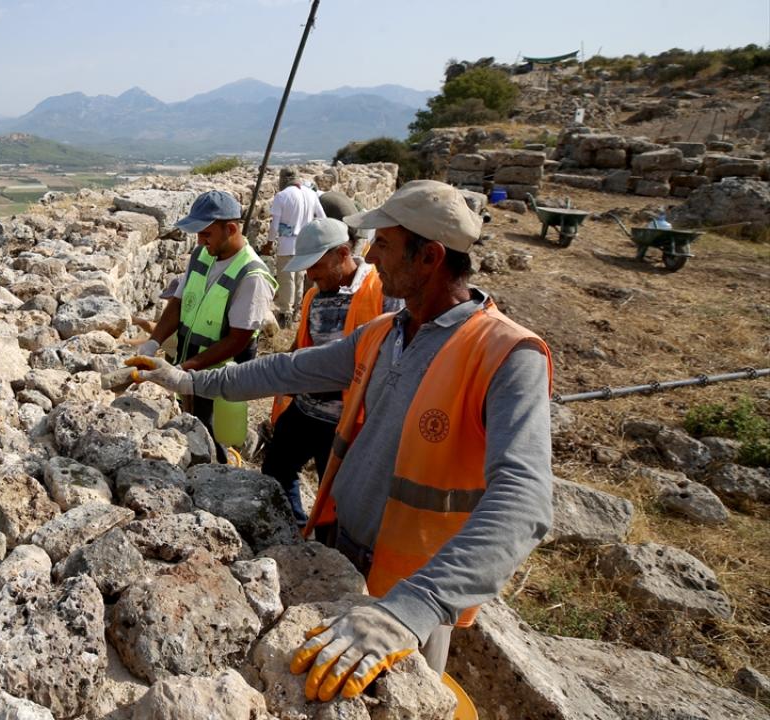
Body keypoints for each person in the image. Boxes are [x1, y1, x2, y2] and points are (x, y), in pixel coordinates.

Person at [127, 180, 553, 702]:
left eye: (385, 245)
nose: (370, 257)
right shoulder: (386, 332)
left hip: (412, 594)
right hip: (343, 557)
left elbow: (525, 502)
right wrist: (186, 380)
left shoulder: (507, 354)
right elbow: (285, 370)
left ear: (430, 257)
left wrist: (412, 609)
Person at [263, 218, 402, 530]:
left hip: (350, 421)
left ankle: (325, 549)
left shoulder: (382, 291)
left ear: (342, 254)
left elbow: (395, 360)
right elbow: (302, 347)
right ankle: (295, 532)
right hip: (306, 409)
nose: (310, 275)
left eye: (316, 266)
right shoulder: (313, 297)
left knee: (336, 503)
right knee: (276, 469)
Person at [136, 190, 276, 464]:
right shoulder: (202, 254)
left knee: (213, 437)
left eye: (206, 234)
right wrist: (153, 342)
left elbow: (238, 340)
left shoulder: (252, 276)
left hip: (219, 379)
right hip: (190, 366)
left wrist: (183, 371)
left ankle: (219, 471)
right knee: (191, 426)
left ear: (231, 229)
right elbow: (178, 304)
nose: (200, 241)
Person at [267, 168, 325, 327]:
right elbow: (322, 218)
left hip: (287, 244)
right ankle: (297, 312)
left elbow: (275, 225)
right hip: (305, 244)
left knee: (287, 280)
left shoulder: (282, 196)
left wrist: (269, 243)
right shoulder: (311, 194)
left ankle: (285, 313)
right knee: (300, 278)